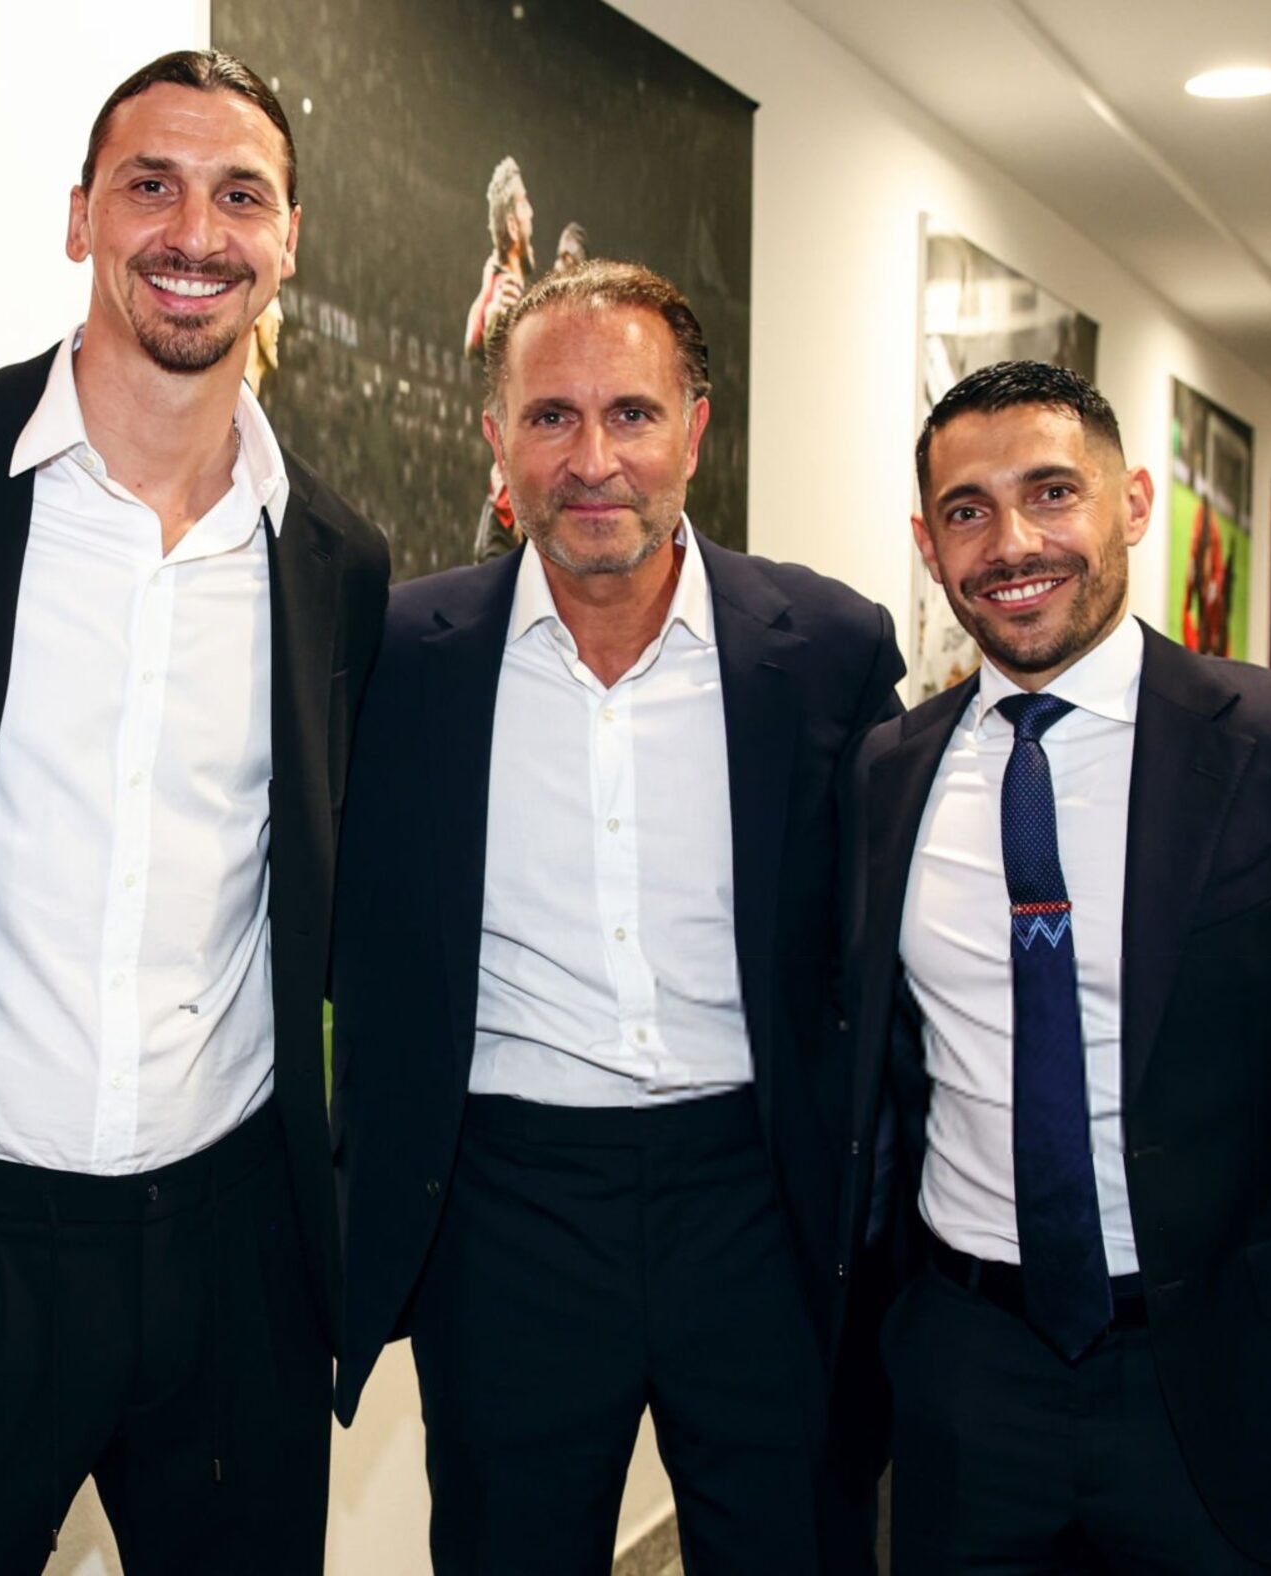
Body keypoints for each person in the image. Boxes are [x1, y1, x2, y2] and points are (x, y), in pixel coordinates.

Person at [834, 360, 1271, 1575]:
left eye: (1052, 491)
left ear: (1132, 502)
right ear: (926, 539)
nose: (1012, 541)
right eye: (968, 509)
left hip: (1240, 1378)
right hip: (968, 1379)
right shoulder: (885, 774)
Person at [0, 50, 389, 1576]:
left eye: (238, 194)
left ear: (286, 239)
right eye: (150, 184)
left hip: (234, 1257)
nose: (192, 229)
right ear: (81, 218)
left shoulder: (334, 557)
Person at [332, 260, 904, 1575]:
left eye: (633, 415)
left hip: (762, 1195)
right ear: (497, 442)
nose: (594, 460)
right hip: (508, 1209)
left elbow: (885, 958)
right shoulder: (395, 657)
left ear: (695, 431)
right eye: (551, 417)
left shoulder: (825, 650)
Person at [465, 156, 538, 562]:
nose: (532, 216)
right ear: (512, 224)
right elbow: (480, 338)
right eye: (525, 206)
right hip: (510, 511)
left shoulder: (505, 281)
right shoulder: (506, 293)